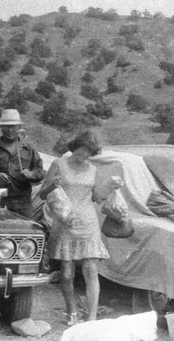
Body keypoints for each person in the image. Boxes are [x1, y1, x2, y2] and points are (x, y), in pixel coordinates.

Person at [38, 130, 119, 326]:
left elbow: (96, 197)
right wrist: (52, 186)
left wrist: (110, 187)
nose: (84, 155)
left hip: (88, 222)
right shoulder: (58, 164)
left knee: (91, 270)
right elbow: (42, 195)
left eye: (88, 152)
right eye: (81, 151)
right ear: (74, 148)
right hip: (65, 221)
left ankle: (92, 318)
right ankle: (71, 312)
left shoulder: (93, 169)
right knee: (67, 273)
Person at [0, 109, 45, 218]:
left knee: (25, 228)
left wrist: (30, 174)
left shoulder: (29, 150)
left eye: (13, 127)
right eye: (6, 126)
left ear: (19, 127)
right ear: (1, 127)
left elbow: (40, 173)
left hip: (23, 205)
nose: (10, 130)